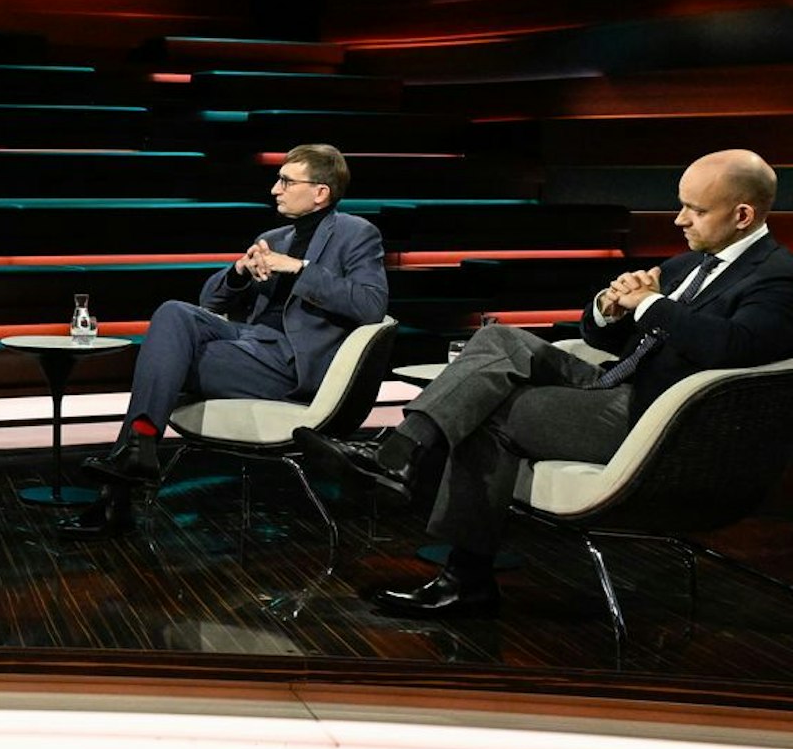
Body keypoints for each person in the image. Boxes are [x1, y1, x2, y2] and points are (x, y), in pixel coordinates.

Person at [300, 148, 793, 619]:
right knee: (500, 340)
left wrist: (649, 304)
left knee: (490, 412)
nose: (679, 220)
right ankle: (401, 455)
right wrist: (610, 305)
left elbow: (734, 346)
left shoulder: (776, 277)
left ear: (743, 215)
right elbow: (605, 335)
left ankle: (461, 571)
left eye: (694, 209)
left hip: (659, 419)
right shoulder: (688, 265)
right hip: (613, 382)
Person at [63, 144, 389, 538]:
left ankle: (120, 486)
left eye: (287, 181)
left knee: (165, 358)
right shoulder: (273, 237)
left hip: (291, 365)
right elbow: (210, 302)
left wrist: (300, 269)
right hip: (249, 345)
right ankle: (137, 452)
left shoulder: (356, 233)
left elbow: (371, 305)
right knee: (173, 312)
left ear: (321, 192)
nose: (275, 189)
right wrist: (238, 271)